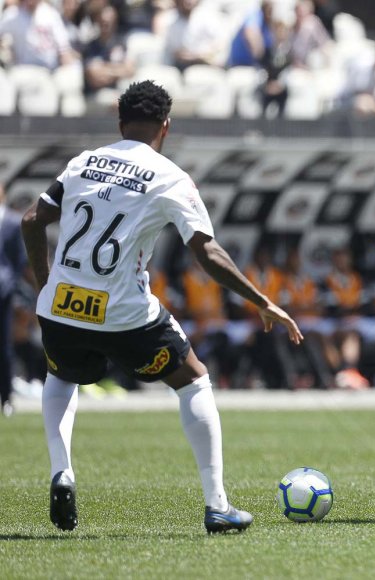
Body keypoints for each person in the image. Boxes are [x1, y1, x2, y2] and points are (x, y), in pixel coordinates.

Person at [20, 80, 303, 534]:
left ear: (119, 120)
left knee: (61, 377)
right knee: (194, 379)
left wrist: (46, 281)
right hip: (124, 312)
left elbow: (33, 219)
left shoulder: (82, 162)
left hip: (61, 305)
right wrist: (262, 301)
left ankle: (62, 471)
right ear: (166, 126)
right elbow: (207, 253)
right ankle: (218, 506)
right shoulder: (168, 176)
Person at [1, 183, 28, 417]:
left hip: (3, 291)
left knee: (4, 346)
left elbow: (19, 260)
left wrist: (11, 283)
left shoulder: (11, 221)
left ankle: (6, 396)